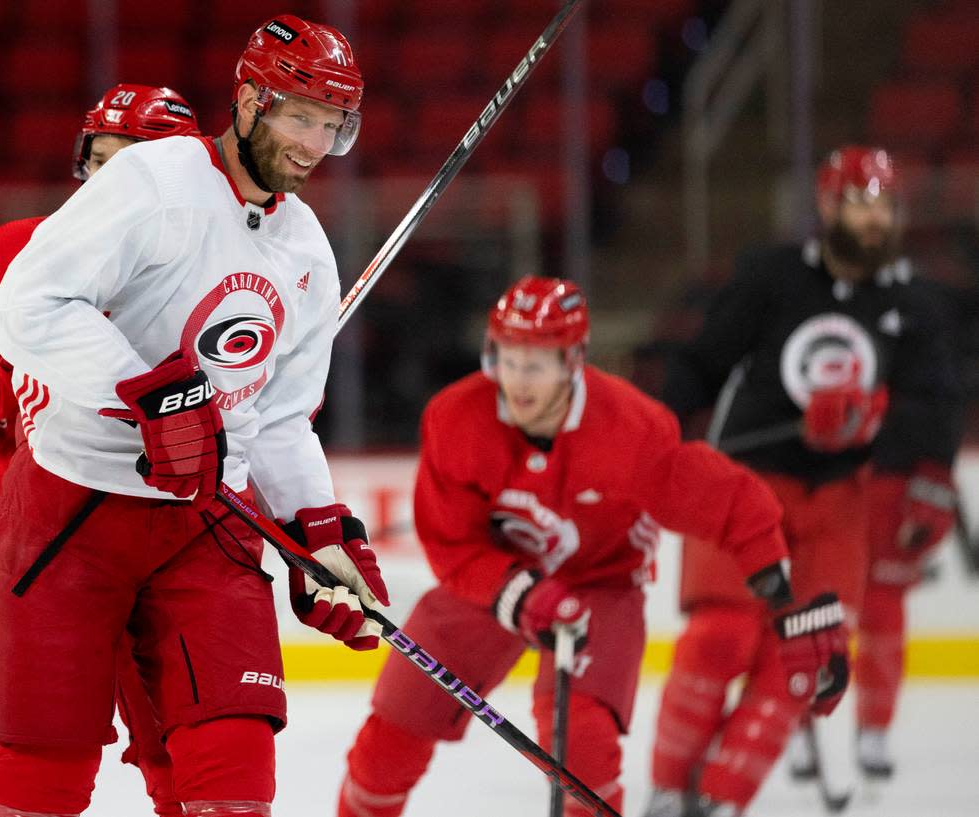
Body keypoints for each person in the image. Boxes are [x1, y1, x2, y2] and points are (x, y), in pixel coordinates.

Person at [0, 15, 386, 817]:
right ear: (248, 101)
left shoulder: (306, 247)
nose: (314, 142)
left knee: (235, 768)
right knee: (42, 778)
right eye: (299, 116)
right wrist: (157, 394)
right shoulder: (156, 181)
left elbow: (277, 421)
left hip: (209, 521)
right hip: (75, 510)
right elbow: (26, 308)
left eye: (331, 124)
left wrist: (323, 528)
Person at [335, 276, 848, 817]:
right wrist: (518, 593)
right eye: (507, 360)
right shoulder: (455, 419)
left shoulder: (632, 430)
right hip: (490, 582)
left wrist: (785, 603)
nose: (518, 381)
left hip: (601, 584)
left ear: (573, 360)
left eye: (535, 364)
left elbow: (734, 505)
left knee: (580, 746)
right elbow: (453, 546)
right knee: (395, 728)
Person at [643, 146, 960, 817]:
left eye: (883, 205)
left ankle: (724, 799)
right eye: (859, 202)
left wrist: (910, 460)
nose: (873, 219)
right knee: (720, 637)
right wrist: (652, 438)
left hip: (838, 503)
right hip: (744, 488)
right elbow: (700, 364)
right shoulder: (772, 276)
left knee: (807, 654)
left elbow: (936, 405)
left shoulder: (914, 303)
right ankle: (669, 791)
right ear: (827, 205)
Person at [0, 83, 203, 817]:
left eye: (134, 168)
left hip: (156, 541)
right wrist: (40, 333)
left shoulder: (211, 278)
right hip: (10, 545)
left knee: (186, 768)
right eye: (100, 162)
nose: (110, 185)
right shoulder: (15, 254)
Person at [789, 275, 963, 781]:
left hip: (889, 483)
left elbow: (943, 404)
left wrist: (932, 478)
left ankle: (874, 730)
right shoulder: (811, 304)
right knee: (812, 614)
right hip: (828, 481)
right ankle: (796, 726)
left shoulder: (919, 312)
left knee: (881, 615)